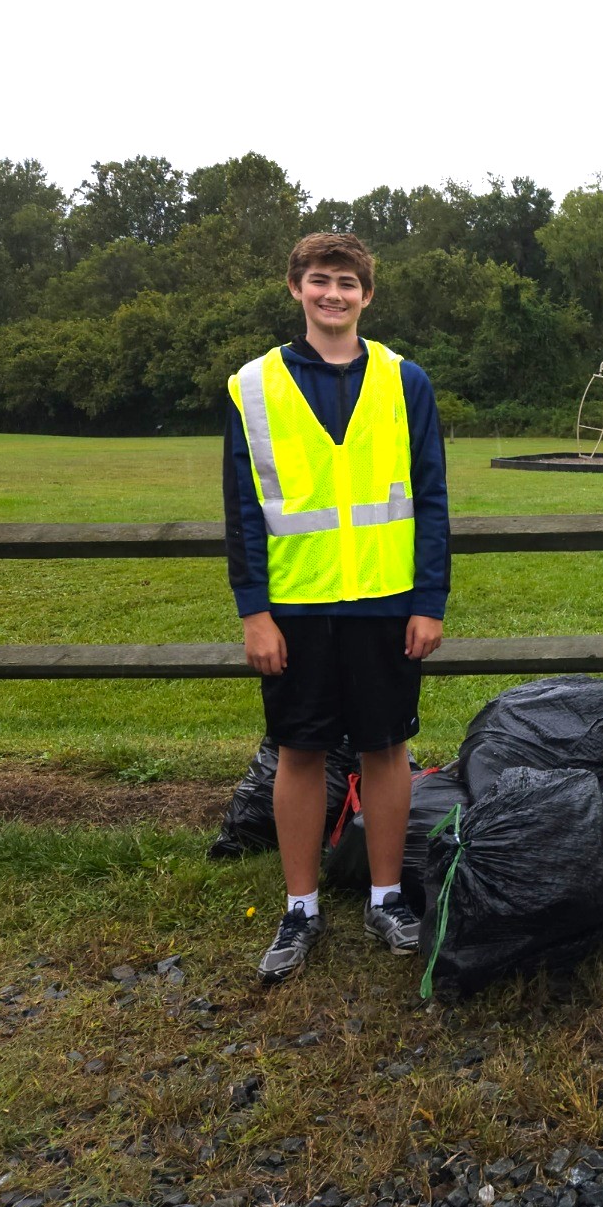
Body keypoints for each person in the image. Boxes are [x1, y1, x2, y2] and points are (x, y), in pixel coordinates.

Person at [223, 232, 449, 984]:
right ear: (295, 288)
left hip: (387, 604)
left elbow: (432, 498)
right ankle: (301, 908)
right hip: (295, 606)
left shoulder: (404, 380)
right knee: (300, 751)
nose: (333, 294)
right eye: (320, 280)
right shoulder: (252, 388)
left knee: (387, 749)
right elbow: (244, 511)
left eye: (347, 283)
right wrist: (255, 612)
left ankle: (387, 898)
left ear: (367, 296)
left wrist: (429, 600)